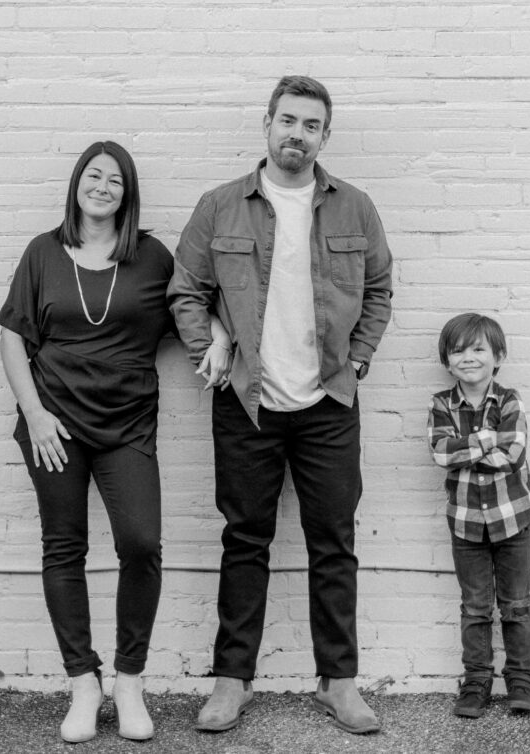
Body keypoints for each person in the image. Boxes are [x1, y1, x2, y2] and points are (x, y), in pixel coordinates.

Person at [168, 75, 393, 735]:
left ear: (326, 135)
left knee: (334, 543)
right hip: (248, 401)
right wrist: (205, 346)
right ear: (267, 123)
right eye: (288, 120)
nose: (297, 134)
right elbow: (186, 288)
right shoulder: (220, 207)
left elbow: (378, 287)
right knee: (244, 540)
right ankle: (232, 682)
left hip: (329, 401)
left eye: (311, 125)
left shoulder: (355, 207)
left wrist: (357, 358)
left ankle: (339, 683)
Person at [0, 141, 230, 744]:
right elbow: (12, 338)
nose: (102, 186)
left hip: (127, 425)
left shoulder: (150, 257)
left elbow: (192, 304)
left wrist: (222, 336)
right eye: (93, 176)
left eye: (115, 180)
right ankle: (83, 682)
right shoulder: (43, 253)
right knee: (63, 548)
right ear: (77, 183)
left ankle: (129, 679)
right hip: (54, 427)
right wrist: (35, 414)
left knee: (141, 543)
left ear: (128, 194)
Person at [427, 312, 530, 718]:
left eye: (478, 349)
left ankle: (521, 682)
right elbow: (440, 454)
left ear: (498, 357)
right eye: (458, 351)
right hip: (467, 522)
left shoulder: (510, 400)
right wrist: (485, 439)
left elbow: (511, 455)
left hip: (513, 519)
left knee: (517, 605)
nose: (468, 358)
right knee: (474, 608)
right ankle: (476, 683)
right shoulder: (441, 404)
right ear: (446, 360)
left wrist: (466, 448)